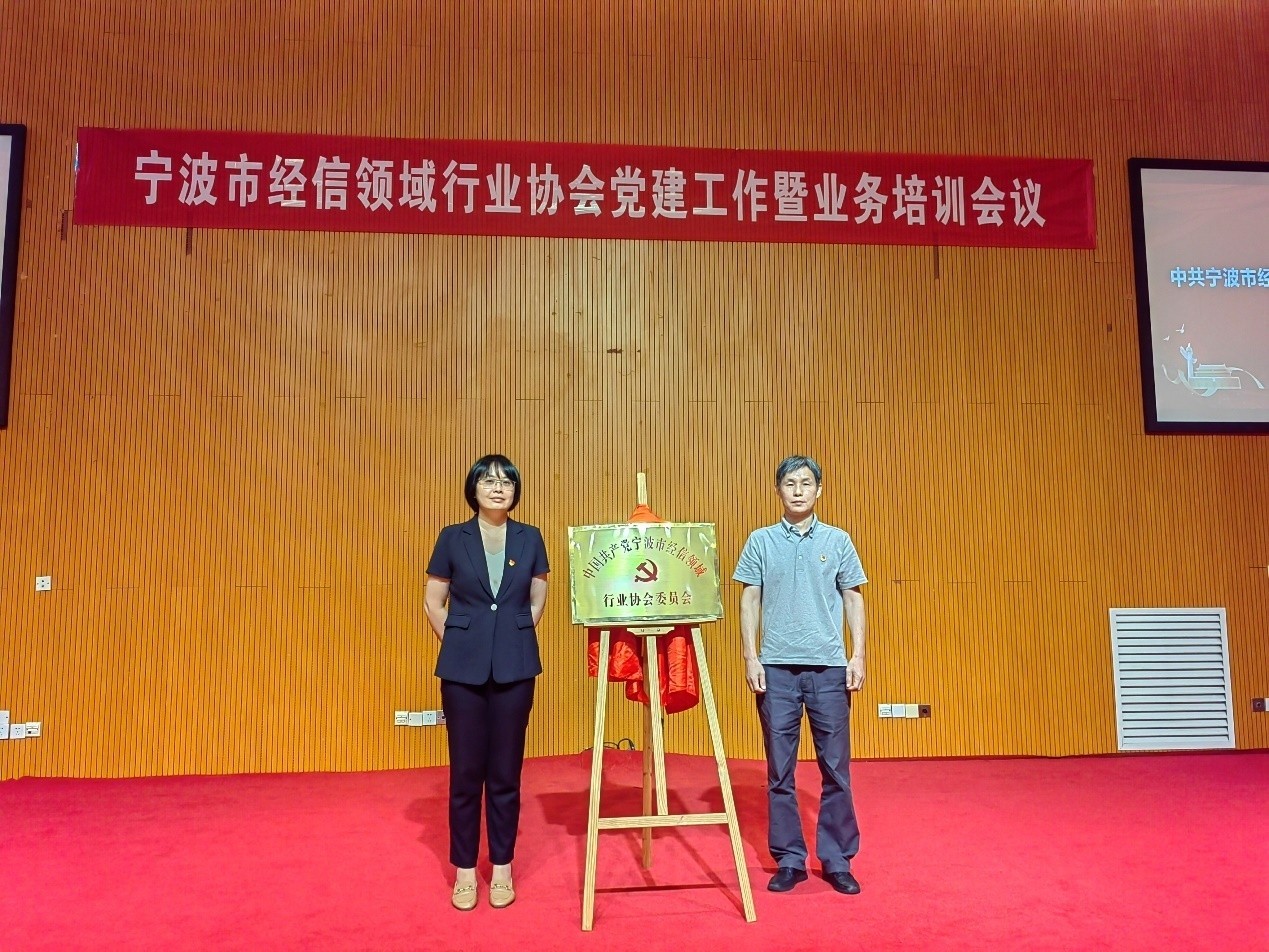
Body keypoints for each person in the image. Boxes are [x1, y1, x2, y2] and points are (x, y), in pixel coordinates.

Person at [733, 455, 868, 896]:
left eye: (806, 483)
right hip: (776, 670)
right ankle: (789, 859)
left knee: (836, 770)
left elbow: (853, 597)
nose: (797, 491)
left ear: (818, 490)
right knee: (779, 771)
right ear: (778, 490)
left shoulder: (838, 540)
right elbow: (749, 600)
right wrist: (751, 657)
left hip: (829, 668)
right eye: (789, 483)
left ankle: (837, 859)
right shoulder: (760, 541)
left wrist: (858, 655)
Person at [424, 454, 550, 911]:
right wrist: (464, 641)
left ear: (516, 491)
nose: (498, 488)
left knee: (505, 773)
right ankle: (464, 870)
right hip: (462, 671)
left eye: (506, 482)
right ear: (473, 489)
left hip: (516, 668)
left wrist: (507, 640)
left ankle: (501, 867)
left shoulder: (530, 537)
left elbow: (536, 600)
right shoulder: (451, 537)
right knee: (465, 773)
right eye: (489, 481)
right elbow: (434, 601)